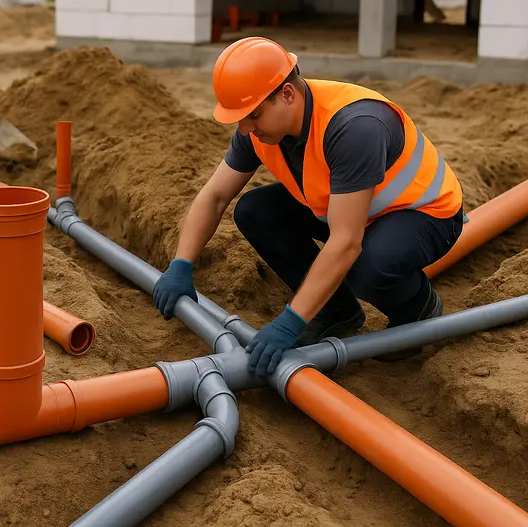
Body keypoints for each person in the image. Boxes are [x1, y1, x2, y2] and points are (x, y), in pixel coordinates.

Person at [151, 36, 467, 377]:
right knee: (255, 212)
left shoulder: (353, 127)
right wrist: (180, 265)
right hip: (348, 207)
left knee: (366, 267)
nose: (245, 128)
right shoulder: (257, 130)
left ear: (287, 94)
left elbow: (346, 242)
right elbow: (214, 197)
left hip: (424, 213)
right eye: (240, 117)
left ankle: (418, 309)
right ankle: (336, 311)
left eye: (253, 115)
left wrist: (289, 322)